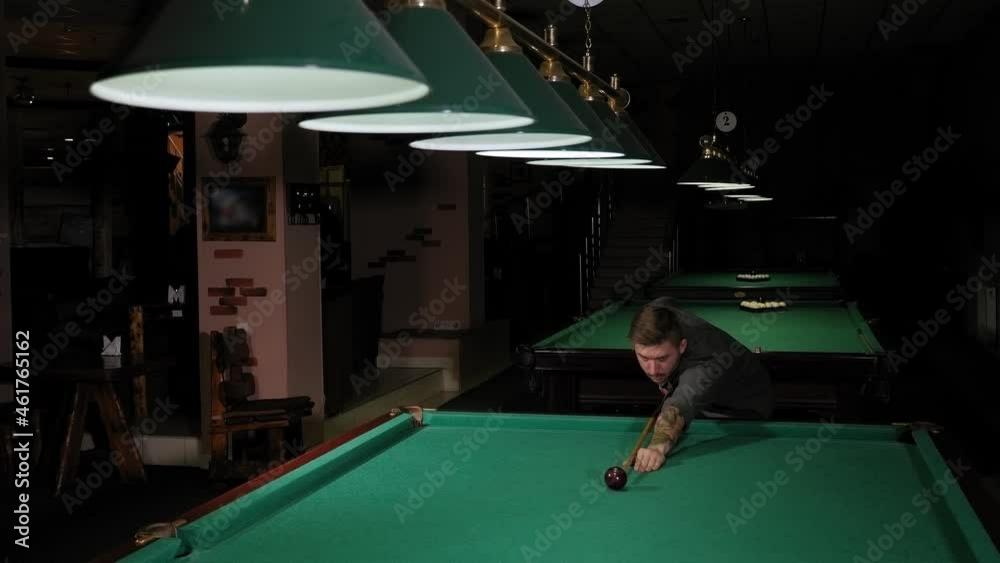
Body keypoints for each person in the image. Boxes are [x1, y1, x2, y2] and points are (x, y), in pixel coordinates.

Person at [629, 297, 774, 473]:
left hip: (744, 410)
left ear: (682, 346)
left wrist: (656, 447)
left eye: (662, 358)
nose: (652, 370)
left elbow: (681, 404)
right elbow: (664, 301)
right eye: (644, 357)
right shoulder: (659, 313)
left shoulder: (706, 366)